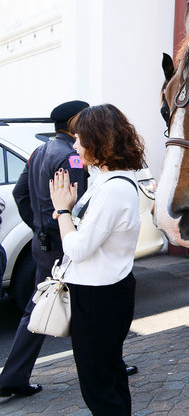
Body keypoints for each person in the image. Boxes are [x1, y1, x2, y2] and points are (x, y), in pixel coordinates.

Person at [48, 104, 145, 415]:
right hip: (103, 290)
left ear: (97, 140)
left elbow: (77, 249)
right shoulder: (108, 181)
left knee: (98, 384)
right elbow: (90, 235)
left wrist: (63, 211)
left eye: (79, 139)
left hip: (99, 295)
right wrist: (70, 214)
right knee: (109, 375)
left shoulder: (113, 189)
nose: (75, 145)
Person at [0, 100, 89, 398]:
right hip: (64, 245)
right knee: (90, 305)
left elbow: (20, 193)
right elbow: (77, 207)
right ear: (74, 122)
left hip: (44, 244)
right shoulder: (71, 157)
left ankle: (12, 377)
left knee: (38, 311)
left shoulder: (40, 151)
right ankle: (104, 366)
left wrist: (37, 226)